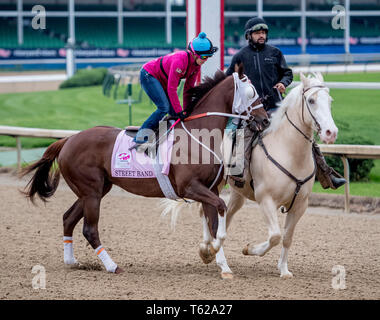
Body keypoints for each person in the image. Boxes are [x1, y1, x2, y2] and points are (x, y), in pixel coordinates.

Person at [225, 17, 346, 190]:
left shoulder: (275, 53)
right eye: (258, 33)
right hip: (251, 111)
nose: (261, 36)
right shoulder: (240, 57)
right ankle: (235, 174)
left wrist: (283, 83)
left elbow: (287, 73)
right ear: (248, 35)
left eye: (264, 33)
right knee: (239, 135)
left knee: (306, 137)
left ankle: (327, 175)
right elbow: (230, 80)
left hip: (276, 107)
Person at [131, 32, 218, 148]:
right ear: (194, 54)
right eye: (204, 56)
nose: (206, 59)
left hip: (162, 80)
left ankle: (163, 141)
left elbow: (188, 89)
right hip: (149, 75)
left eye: (209, 56)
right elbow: (171, 89)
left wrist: (186, 111)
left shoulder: (196, 66)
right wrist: (179, 111)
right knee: (164, 108)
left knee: (174, 115)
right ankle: (140, 138)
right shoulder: (180, 61)